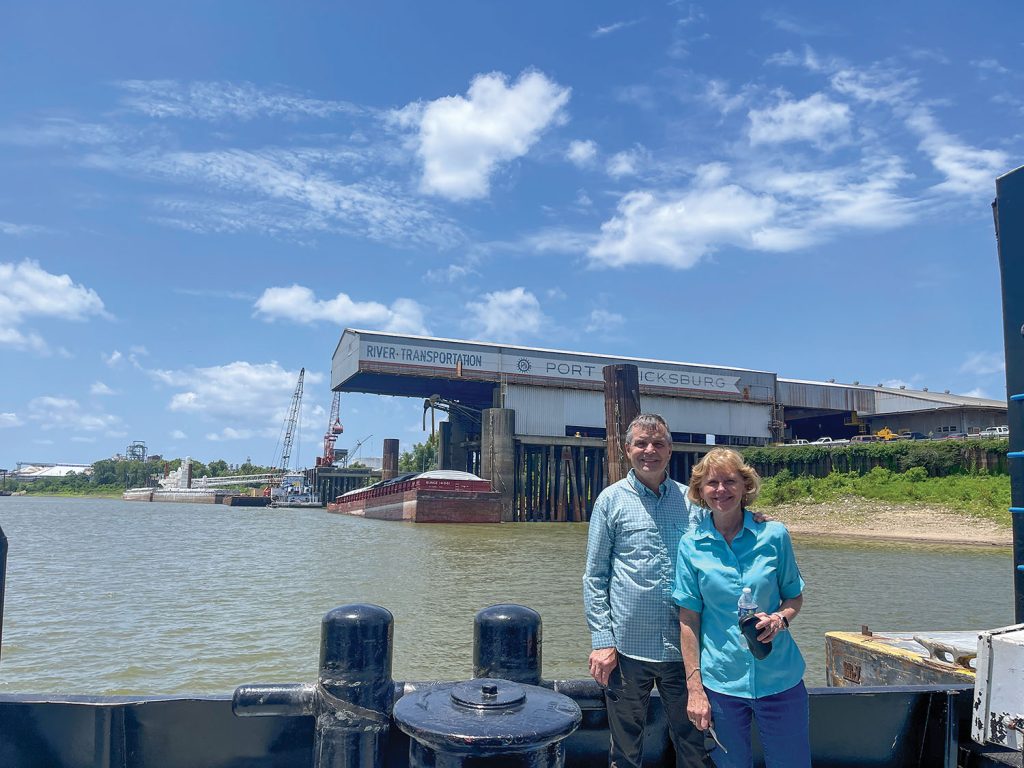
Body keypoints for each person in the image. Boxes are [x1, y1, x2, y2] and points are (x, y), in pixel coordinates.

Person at [583, 413, 710, 768]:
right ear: (627, 450)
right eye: (641, 443)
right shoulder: (610, 501)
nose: (649, 450)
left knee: (694, 742)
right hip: (627, 650)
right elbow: (595, 576)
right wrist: (602, 640)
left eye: (658, 444)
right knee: (625, 748)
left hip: (683, 648)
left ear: (670, 451)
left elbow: (718, 555)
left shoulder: (693, 503)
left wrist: (755, 518)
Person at [673, 448, 809, 768]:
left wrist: (780, 619)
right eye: (712, 483)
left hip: (781, 679)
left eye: (730, 481)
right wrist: (695, 689)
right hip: (721, 685)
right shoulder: (690, 546)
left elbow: (795, 597)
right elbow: (689, 620)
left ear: (744, 486)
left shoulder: (774, 535)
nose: (721, 490)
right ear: (700, 490)